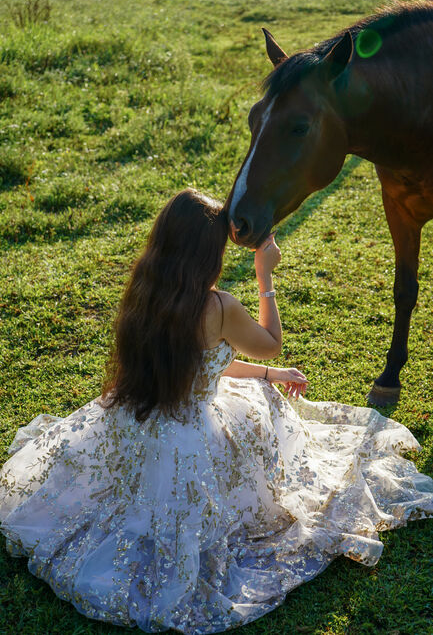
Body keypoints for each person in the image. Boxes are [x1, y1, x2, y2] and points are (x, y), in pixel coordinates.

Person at [0, 189, 432, 635]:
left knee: (256, 394)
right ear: (207, 253)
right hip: (191, 438)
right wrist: (266, 276)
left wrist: (268, 374)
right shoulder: (217, 306)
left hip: (136, 420)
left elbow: (202, 361)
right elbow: (269, 340)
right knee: (265, 413)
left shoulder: (146, 291)